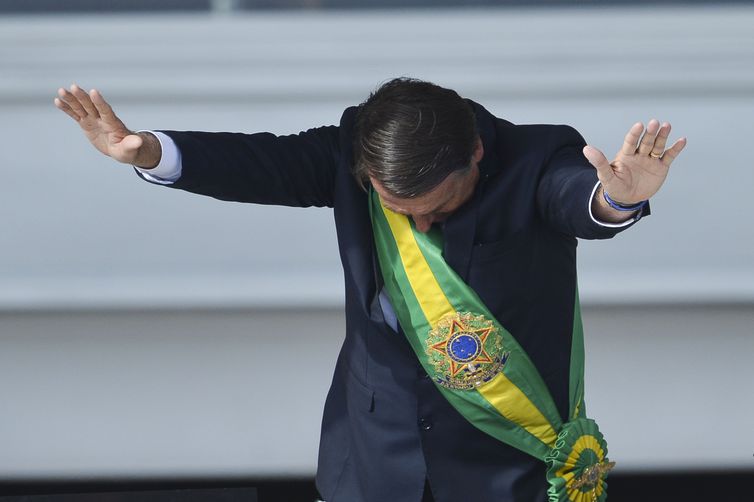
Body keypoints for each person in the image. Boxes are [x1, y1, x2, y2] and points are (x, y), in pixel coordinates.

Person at [55, 78, 685, 502]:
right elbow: (263, 162)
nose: (421, 223)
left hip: (505, 457)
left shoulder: (536, 157)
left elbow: (578, 200)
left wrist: (617, 198)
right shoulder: (357, 146)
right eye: (401, 208)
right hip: (371, 453)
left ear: (476, 152)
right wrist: (148, 153)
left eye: (440, 206)